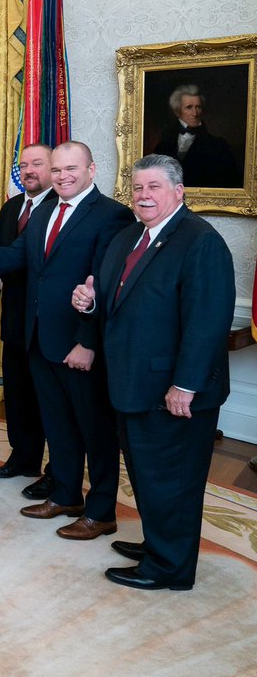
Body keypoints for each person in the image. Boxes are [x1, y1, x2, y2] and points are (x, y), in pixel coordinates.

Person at [72, 154, 234, 590]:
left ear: (178, 192)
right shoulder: (129, 237)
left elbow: (207, 322)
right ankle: (158, 544)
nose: (143, 195)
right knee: (148, 475)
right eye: (138, 187)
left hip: (173, 390)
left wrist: (185, 384)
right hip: (131, 383)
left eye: (154, 187)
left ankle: (170, 569)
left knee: (173, 481)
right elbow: (116, 298)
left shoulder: (200, 241)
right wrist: (90, 301)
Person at [0, 141, 133, 537]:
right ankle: (66, 494)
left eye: (71, 168)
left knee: (95, 432)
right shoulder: (43, 210)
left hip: (79, 344)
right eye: (57, 170)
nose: (62, 176)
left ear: (92, 170)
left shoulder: (112, 216)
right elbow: (20, 255)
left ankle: (101, 512)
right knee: (58, 426)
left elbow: (106, 287)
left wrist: (87, 342)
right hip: (39, 339)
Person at [0, 144, 57, 497]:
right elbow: (9, 257)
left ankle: (56, 471)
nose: (28, 171)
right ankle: (23, 457)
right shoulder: (11, 207)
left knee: (49, 401)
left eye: (37, 164)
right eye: (23, 164)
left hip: (46, 324)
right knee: (17, 395)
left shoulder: (59, 206)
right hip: (14, 317)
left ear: (53, 167)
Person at [153, 85, 240, 188]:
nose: (195, 113)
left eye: (198, 107)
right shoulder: (163, 145)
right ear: (177, 112)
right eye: (189, 107)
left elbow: (229, 183)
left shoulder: (219, 146)